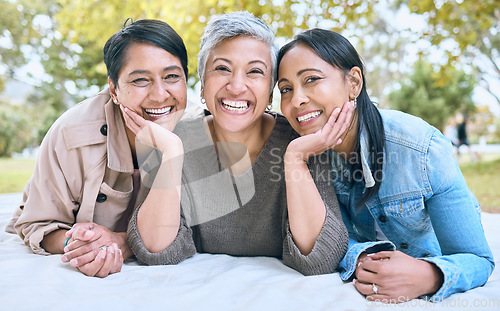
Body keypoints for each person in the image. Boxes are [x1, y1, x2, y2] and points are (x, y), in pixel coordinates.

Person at [276, 28, 494, 301]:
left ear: (354, 82)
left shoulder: (421, 148)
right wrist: (361, 258)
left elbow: (478, 259)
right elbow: (325, 244)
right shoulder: (305, 153)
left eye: (312, 79)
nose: (297, 100)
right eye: (286, 89)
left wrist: (428, 275)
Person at [127, 11, 349, 276]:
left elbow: (320, 259)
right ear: (202, 82)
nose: (236, 86)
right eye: (222, 69)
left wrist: (295, 160)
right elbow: (154, 250)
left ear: (270, 91)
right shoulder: (172, 139)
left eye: (255, 71)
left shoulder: (301, 140)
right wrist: (173, 152)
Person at [5, 19, 189, 278]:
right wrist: (81, 246)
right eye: (140, 80)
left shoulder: (194, 133)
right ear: (113, 89)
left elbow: (167, 239)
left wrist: (170, 153)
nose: (160, 95)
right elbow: (39, 224)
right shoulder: (71, 135)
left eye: (171, 76)